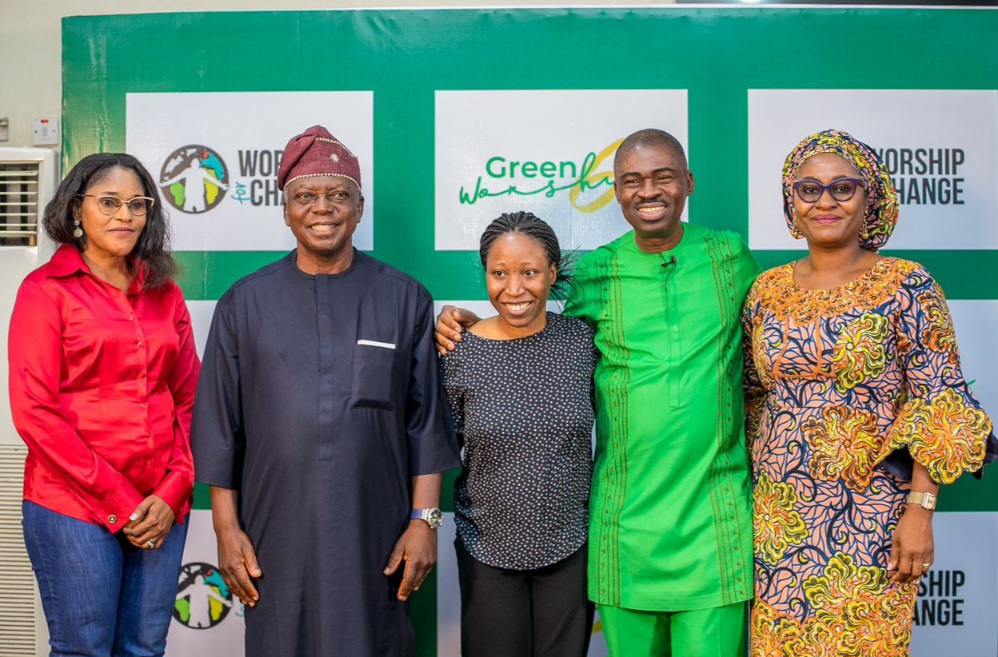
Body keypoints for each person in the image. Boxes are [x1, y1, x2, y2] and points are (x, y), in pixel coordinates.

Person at [437, 129, 758, 656]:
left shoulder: (730, 259)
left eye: (662, 177)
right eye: (632, 180)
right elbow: (531, 337)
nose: (647, 191)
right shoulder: (596, 275)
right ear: (616, 190)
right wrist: (470, 329)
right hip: (621, 528)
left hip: (713, 524)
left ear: (689, 183)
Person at [191, 125, 461, 657]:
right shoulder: (243, 304)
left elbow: (425, 421)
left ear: (359, 209)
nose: (323, 208)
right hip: (274, 534)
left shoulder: (404, 298)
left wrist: (423, 522)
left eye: (338, 195)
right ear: (285, 209)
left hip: (375, 534)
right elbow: (220, 427)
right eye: (305, 196)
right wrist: (225, 528)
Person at [743, 129, 994, 656]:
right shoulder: (766, 290)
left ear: (871, 197)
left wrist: (921, 510)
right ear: (791, 201)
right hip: (778, 517)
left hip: (875, 516)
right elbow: (752, 398)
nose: (826, 201)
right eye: (809, 189)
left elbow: (941, 401)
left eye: (843, 187)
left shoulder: (907, 284)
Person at [8, 153, 198, 657]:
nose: (125, 216)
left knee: (143, 648)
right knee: (84, 649)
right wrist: (121, 500)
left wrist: (174, 488)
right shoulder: (44, 292)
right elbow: (35, 413)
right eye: (109, 202)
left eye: (137, 204)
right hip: (71, 505)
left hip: (160, 503)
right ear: (76, 209)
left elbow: (189, 401)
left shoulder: (166, 294)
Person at [440, 211, 596, 657]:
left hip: (570, 545)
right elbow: (435, 447)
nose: (514, 289)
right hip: (485, 546)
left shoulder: (581, 342)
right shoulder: (458, 350)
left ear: (552, 272)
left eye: (529, 272)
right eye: (499, 273)